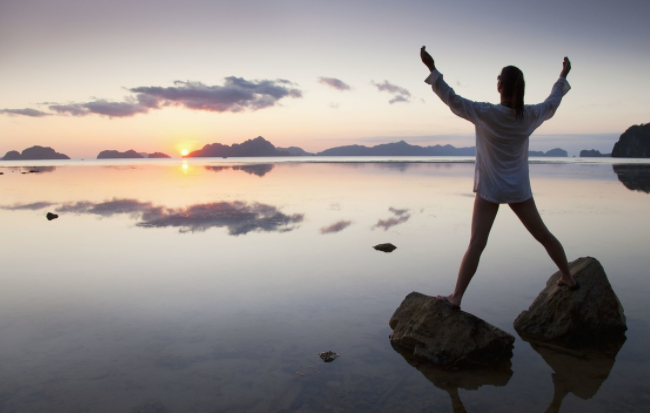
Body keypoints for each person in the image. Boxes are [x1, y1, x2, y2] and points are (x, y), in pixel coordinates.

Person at [419, 46, 578, 310]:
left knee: (477, 244)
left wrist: (432, 68)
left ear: (499, 85)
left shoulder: (485, 113)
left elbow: (451, 98)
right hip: (518, 190)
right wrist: (562, 75)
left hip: (490, 189)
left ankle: (456, 297)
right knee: (544, 235)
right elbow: (553, 101)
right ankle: (569, 277)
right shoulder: (529, 116)